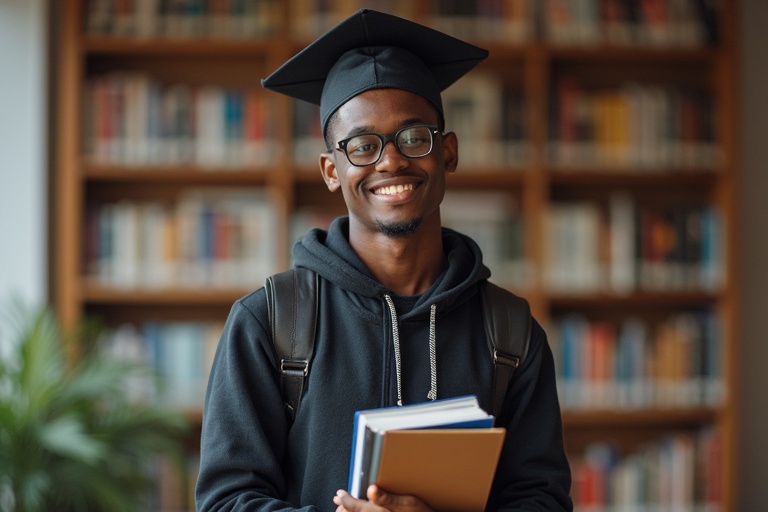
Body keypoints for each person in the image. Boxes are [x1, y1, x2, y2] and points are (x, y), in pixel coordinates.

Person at [195, 9, 572, 512]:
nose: (391, 161)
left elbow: (542, 502)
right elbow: (225, 502)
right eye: (362, 146)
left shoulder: (510, 332)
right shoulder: (270, 323)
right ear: (332, 170)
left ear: (449, 153)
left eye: (414, 138)